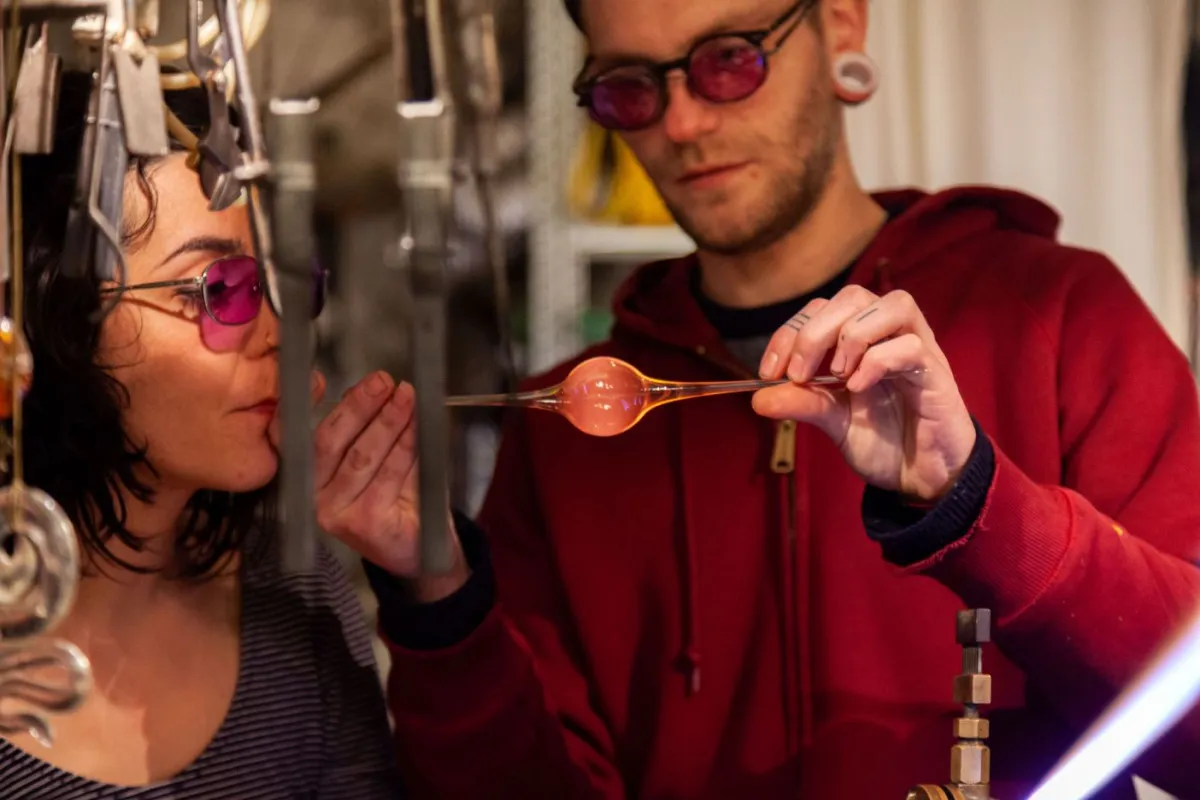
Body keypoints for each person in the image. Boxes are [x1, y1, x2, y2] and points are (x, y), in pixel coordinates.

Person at [346, 1, 1200, 799]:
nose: (682, 124)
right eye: (630, 87)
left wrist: (975, 497)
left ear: (839, 25)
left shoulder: (1058, 319)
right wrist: (443, 608)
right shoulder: (570, 433)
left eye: (728, 60)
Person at [0, 73, 408, 798]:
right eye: (219, 289)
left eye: (286, 287)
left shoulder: (293, 590)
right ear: (51, 319)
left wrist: (436, 594)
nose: (283, 339)